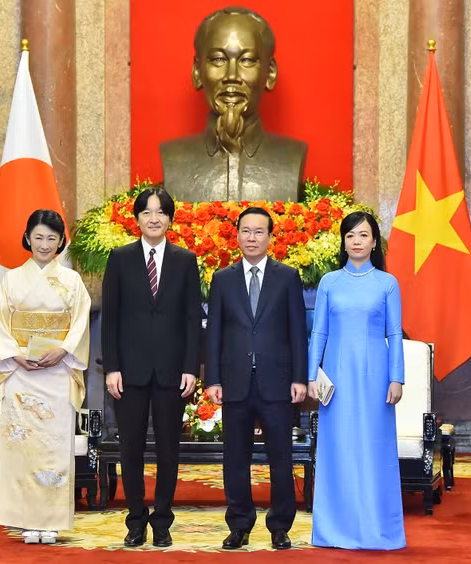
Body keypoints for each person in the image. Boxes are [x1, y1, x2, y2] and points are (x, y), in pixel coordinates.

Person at [101, 187, 202, 548]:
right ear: (138, 218)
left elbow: (193, 318)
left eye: (161, 212)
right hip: (129, 373)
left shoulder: (185, 260)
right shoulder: (120, 258)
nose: (154, 218)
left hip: (173, 373)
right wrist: (111, 367)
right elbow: (110, 318)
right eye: (147, 212)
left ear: (171, 219)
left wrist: (192, 367)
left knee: (168, 450)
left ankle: (162, 521)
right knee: (130, 449)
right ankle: (134, 520)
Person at [205, 207, 308, 550]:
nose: (252, 237)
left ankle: (280, 526)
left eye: (258, 231)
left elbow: (297, 332)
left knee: (280, 458)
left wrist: (299, 377)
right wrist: (213, 379)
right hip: (234, 383)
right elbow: (214, 334)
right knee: (235, 458)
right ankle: (239, 525)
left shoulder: (287, 276)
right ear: (236, 235)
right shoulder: (222, 278)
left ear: (270, 237)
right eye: (246, 231)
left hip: (277, 382)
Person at [0, 209, 91, 545]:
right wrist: (14, 354)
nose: (45, 244)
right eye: (38, 237)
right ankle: (24, 518)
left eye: (52, 238)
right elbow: (0, 323)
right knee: (22, 445)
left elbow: (79, 322)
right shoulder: (11, 279)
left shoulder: (72, 281)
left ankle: (51, 520)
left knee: (53, 446)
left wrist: (63, 350)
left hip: (58, 370)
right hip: (21, 371)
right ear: (28, 238)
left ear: (62, 241)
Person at [307, 211, 405, 550]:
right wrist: (310, 376)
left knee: (373, 450)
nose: (357, 242)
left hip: (376, 378)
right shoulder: (329, 282)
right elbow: (318, 332)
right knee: (338, 450)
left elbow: (394, 333)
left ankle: (378, 529)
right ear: (343, 242)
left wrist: (397, 378)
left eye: (363, 235)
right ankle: (334, 529)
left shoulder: (386, 283)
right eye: (350, 236)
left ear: (374, 242)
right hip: (335, 379)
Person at [160, 6, 307, 202]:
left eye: (247, 61)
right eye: (218, 59)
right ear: (197, 71)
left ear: (270, 73)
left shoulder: (291, 157)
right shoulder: (174, 158)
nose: (231, 76)